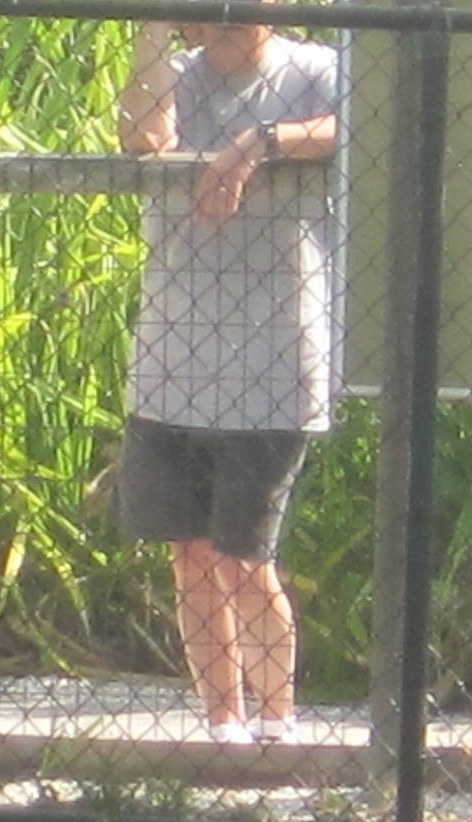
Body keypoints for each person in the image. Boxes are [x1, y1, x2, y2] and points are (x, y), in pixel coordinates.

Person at [116, 9, 338, 746]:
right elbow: (144, 139)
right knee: (192, 553)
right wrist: (152, 29)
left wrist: (260, 141)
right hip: (173, 357)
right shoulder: (176, 79)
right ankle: (222, 722)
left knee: (247, 557)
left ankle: (277, 721)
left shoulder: (313, 71)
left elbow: (366, 126)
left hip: (274, 357)